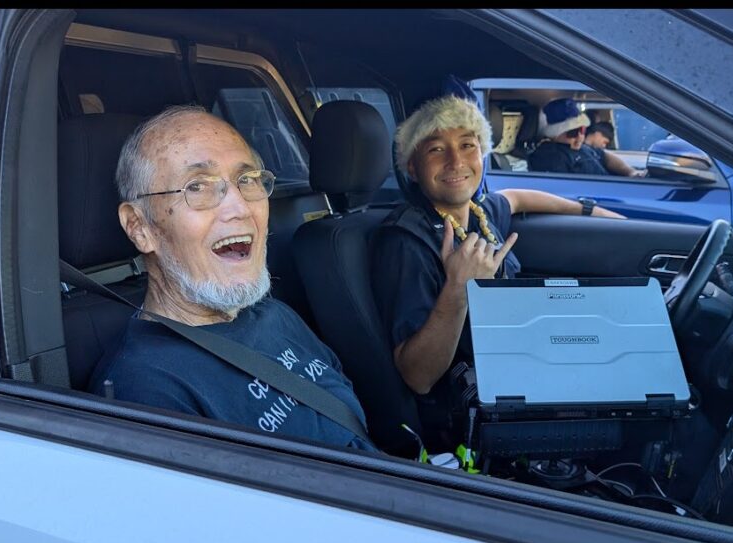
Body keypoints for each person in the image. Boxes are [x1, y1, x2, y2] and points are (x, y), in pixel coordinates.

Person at [90, 105, 376, 452]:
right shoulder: (145, 389)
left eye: (248, 180)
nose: (240, 207)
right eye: (197, 187)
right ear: (139, 228)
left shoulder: (276, 315)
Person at [370, 95, 622, 449]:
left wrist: (594, 213)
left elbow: (517, 197)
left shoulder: (480, 213)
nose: (456, 161)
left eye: (467, 145)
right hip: (478, 411)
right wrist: (459, 287)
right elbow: (418, 377)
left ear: (482, 154)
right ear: (412, 168)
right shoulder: (405, 241)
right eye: (436, 150)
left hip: (525, 365)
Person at [528, 99, 645, 178]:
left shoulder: (582, 148)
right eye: (573, 132)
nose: (580, 137)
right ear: (556, 134)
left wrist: (630, 172)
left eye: (582, 130)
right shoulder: (549, 157)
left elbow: (605, 156)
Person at [583, 118, 647, 178]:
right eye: (604, 142)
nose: (604, 146)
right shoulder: (580, 150)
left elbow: (607, 158)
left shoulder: (597, 152)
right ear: (597, 134)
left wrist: (631, 172)